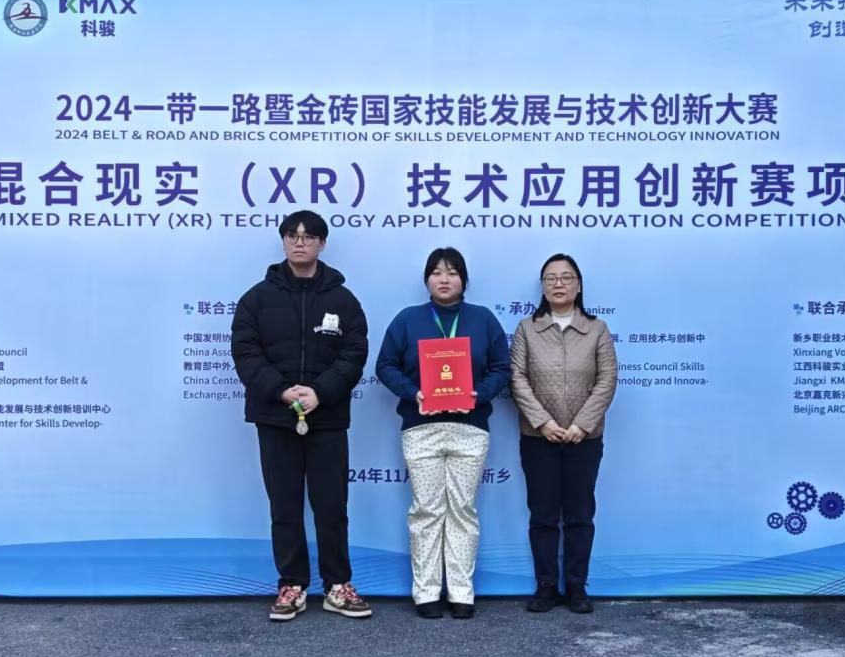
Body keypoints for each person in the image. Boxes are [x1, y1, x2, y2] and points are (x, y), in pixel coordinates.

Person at [231, 210, 371, 621]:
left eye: (309, 236)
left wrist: (320, 392)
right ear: (283, 241)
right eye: (292, 235)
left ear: (322, 244)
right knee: (285, 506)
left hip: (327, 417)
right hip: (275, 417)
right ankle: (291, 584)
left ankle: (337, 585)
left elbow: (354, 354)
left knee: (332, 506)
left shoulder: (343, 301)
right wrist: (281, 391)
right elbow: (245, 352)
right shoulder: (257, 298)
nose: (300, 242)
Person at [375, 247, 510, 619]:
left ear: (464, 279)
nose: (444, 279)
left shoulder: (483, 319)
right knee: (427, 510)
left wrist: (478, 394)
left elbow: (502, 367)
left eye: (452, 272)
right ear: (427, 279)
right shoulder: (408, 319)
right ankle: (426, 592)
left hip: (470, 428)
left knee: (463, 510)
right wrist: (414, 393)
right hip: (422, 428)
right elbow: (385, 365)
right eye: (436, 272)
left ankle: (462, 592)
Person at [509, 253, 617, 614]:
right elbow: (517, 379)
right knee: (542, 515)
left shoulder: (597, 329)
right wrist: (544, 423)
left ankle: (576, 586)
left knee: (579, 515)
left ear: (579, 285)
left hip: (584, 439)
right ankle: (545, 586)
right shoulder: (527, 328)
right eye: (551, 278)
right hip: (538, 438)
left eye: (566, 277)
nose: (559, 283)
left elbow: (607, 380)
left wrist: (580, 425)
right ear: (542, 287)